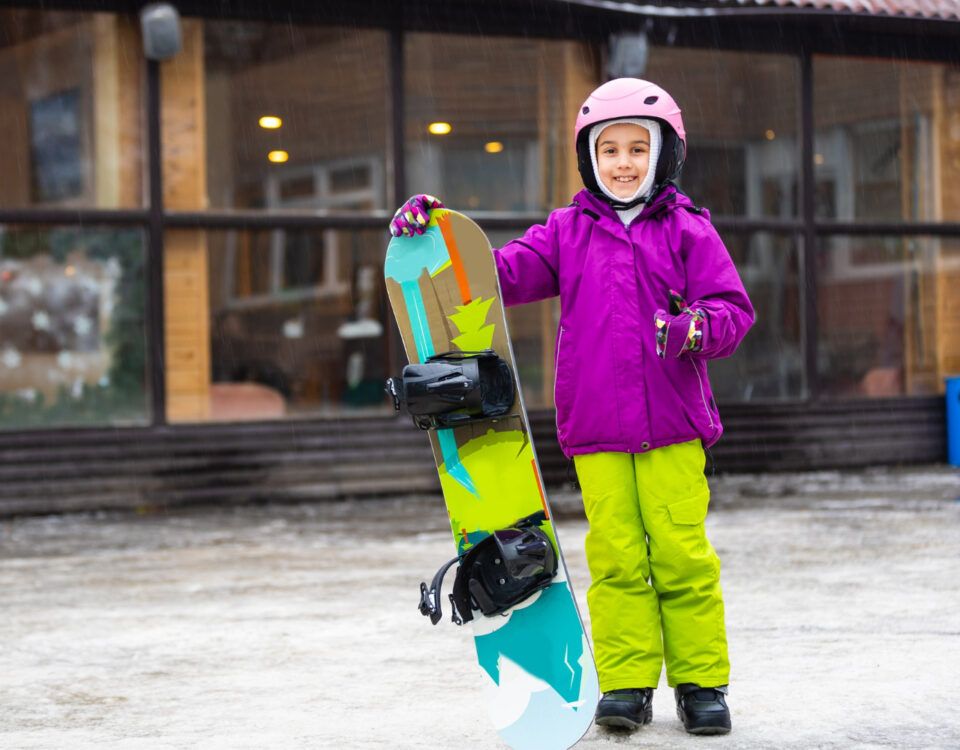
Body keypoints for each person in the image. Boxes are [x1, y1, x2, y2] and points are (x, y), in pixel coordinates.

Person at [389, 78, 755, 736]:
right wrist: (436, 237)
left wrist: (693, 328)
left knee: (681, 558)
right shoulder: (567, 232)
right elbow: (496, 273)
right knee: (616, 561)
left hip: (673, 428)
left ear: (664, 155)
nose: (622, 162)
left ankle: (701, 683)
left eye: (636, 149)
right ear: (588, 158)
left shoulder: (688, 231)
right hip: (597, 431)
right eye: (607, 149)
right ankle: (627, 683)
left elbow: (733, 310)